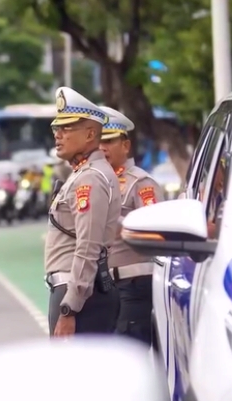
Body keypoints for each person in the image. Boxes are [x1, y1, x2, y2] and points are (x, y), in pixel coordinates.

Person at [45, 87, 122, 337]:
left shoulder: (90, 179)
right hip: (75, 293)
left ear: (90, 134)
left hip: (79, 299)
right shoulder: (82, 174)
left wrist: (69, 308)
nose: (58, 135)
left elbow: (88, 246)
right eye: (57, 128)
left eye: (67, 128)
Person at [98, 106, 164, 345]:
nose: (102, 148)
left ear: (125, 145)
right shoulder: (97, 182)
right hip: (105, 287)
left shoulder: (141, 183)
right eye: (98, 142)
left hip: (134, 285)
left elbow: (156, 230)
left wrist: (118, 224)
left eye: (108, 141)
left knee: (128, 352)